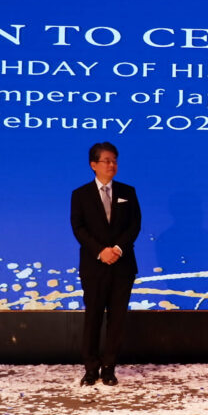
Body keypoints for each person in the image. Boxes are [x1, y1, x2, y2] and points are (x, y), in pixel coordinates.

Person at [71, 141, 141, 386]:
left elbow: (135, 225)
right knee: (93, 317)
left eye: (114, 160)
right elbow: (78, 228)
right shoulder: (80, 194)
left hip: (122, 265)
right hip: (94, 266)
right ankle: (91, 368)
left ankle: (109, 368)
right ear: (93, 164)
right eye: (106, 161)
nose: (112, 165)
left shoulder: (128, 192)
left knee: (117, 319)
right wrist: (101, 251)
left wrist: (118, 249)